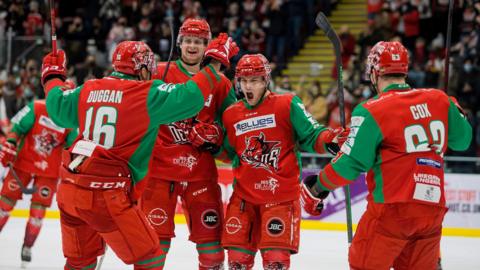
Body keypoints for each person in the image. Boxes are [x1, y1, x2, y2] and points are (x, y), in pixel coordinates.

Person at [40, 36, 238, 270]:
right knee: (151, 257)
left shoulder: (90, 87)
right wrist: (214, 64)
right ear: (142, 68)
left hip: (71, 188)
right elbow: (192, 98)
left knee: (80, 261)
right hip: (107, 193)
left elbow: (57, 109)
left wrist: (52, 76)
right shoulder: (145, 94)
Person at [301, 41, 472, 270]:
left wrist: (318, 186)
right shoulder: (439, 99)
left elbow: (350, 164)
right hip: (431, 211)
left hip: (391, 210)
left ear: (374, 72)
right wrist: (454, 109)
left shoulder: (372, 109)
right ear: (405, 70)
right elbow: (463, 141)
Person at [220, 54, 349, 269]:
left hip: (280, 200)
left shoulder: (286, 104)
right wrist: (208, 143)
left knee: (275, 263)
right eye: (243, 81)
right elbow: (227, 152)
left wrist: (330, 139)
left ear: (265, 81)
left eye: (254, 81)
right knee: (237, 264)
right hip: (243, 200)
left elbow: (312, 135)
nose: (247, 86)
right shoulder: (231, 114)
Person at [140, 18, 237, 270]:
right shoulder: (159, 72)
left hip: (201, 175)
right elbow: (133, 109)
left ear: (207, 46)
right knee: (153, 251)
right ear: (179, 44)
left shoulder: (221, 83)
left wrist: (216, 136)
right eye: (188, 41)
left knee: (214, 254)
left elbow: (235, 125)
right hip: (160, 174)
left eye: (199, 42)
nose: (192, 46)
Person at [0, 97, 77, 267]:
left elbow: (73, 148)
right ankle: (27, 246)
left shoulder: (72, 120)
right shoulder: (36, 107)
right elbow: (17, 128)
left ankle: (27, 246)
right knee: (4, 204)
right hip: (23, 163)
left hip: (48, 172)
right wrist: (11, 142)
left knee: (38, 212)